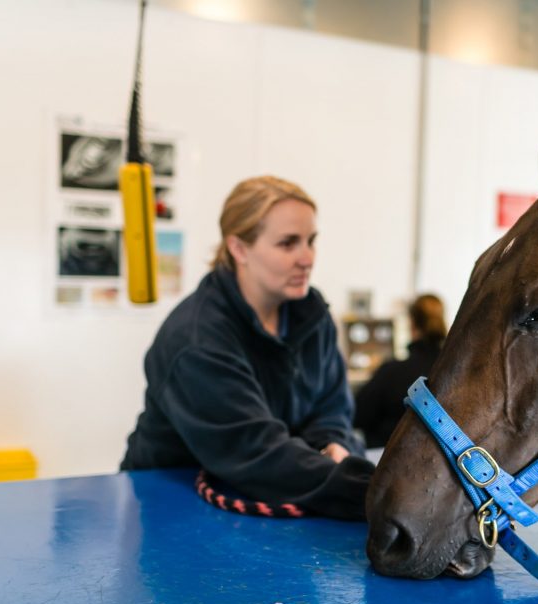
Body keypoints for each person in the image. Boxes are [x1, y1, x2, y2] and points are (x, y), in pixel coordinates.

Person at [122, 176, 373, 520]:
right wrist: (373, 492)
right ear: (239, 248)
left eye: (310, 241)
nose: (307, 258)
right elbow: (254, 451)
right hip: (173, 505)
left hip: (279, 491)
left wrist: (335, 445)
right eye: (288, 244)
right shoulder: (196, 340)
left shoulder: (313, 317)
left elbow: (332, 407)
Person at [354, 294, 447, 448]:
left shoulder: (391, 372)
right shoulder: (454, 374)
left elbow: (358, 416)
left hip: (390, 459)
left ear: (412, 324)